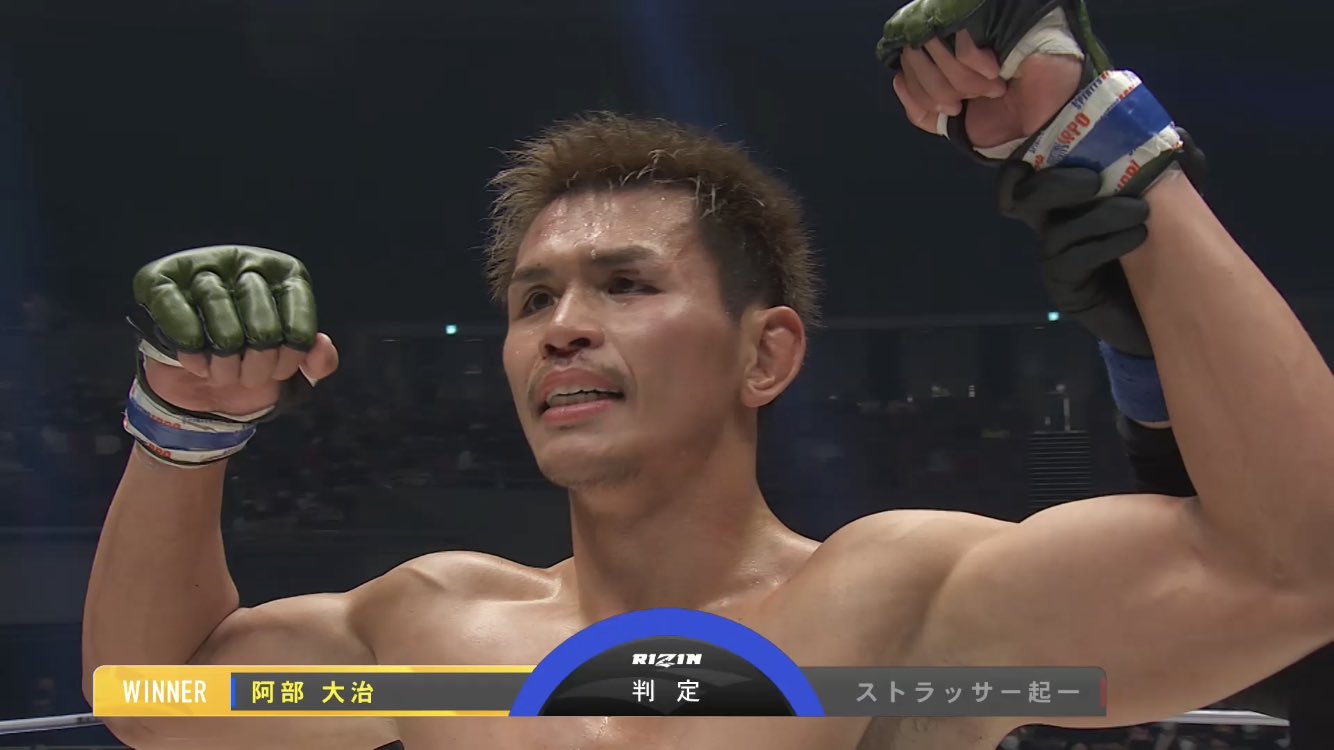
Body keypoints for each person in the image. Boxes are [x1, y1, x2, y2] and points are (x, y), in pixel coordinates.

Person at [82, 1, 1334, 748]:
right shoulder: (434, 633)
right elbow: (150, 701)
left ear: (763, 351)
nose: (562, 329)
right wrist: (184, 424)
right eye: (533, 300)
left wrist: (1097, 144)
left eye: (625, 285)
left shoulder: (900, 616)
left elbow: (1296, 566)